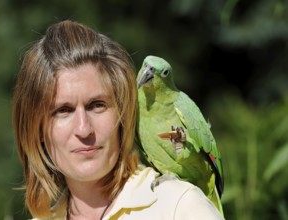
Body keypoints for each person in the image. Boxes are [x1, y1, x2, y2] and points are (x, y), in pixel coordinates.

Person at [12, 19, 224, 220]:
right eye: (63, 110)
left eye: (97, 105)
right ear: (36, 127)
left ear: (123, 112)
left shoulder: (180, 207)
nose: (84, 129)